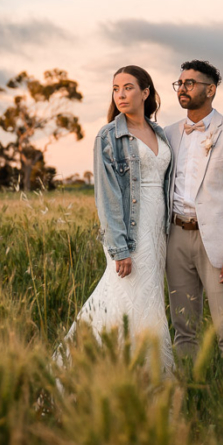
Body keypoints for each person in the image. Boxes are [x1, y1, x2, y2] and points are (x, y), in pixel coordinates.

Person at [59, 65, 175, 373]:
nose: (120, 94)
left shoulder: (159, 133)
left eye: (128, 87)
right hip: (130, 234)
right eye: (115, 89)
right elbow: (106, 197)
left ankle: (139, 376)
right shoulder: (109, 136)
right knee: (124, 300)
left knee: (148, 302)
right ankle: (93, 371)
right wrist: (119, 249)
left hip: (157, 233)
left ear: (145, 92)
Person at [164, 60, 223, 381]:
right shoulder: (168, 135)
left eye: (190, 83)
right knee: (183, 328)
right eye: (179, 83)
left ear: (211, 89)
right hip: (175, 237)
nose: (183, 88)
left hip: (217, 244)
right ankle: (188, 397)